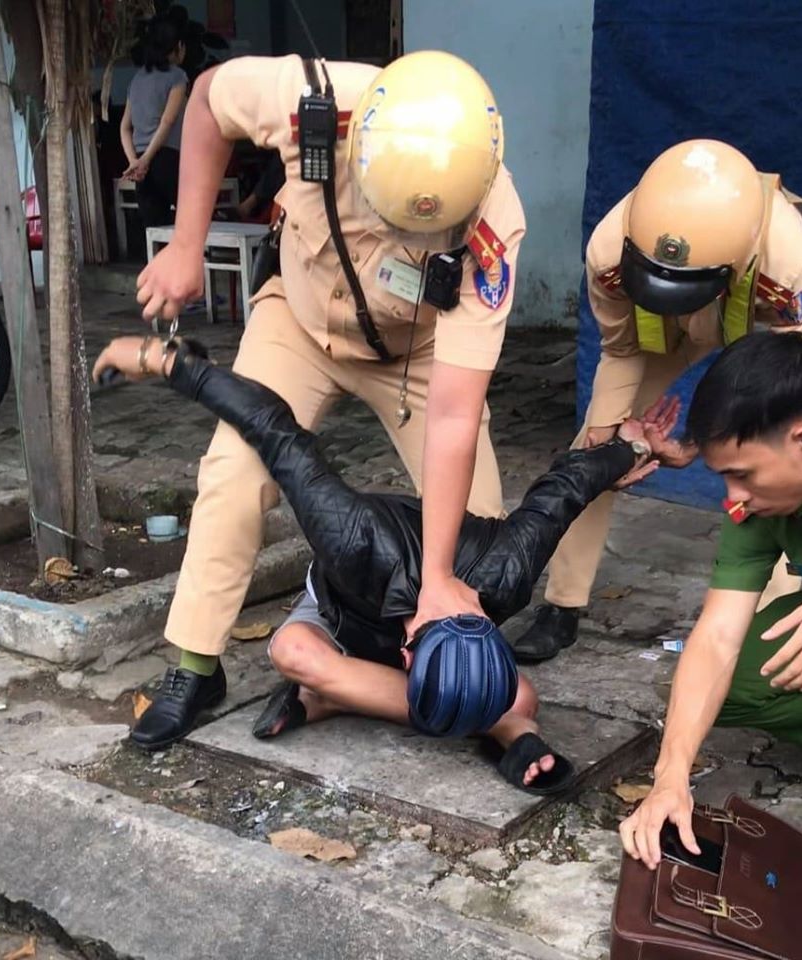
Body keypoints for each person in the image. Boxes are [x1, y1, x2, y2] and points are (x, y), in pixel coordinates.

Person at [129, 51, 530, 750]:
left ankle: (387, 666)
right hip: (301, 319)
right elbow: (204, 102)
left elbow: (456, 412)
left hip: (417, 350)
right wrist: (187, 244)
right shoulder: (311, 98)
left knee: (481, 536)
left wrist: (438, 577)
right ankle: (196, 664)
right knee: (233, 471)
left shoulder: (495, 224)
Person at [92, 332, 672, 789]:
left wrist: (637, 445)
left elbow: (566, 487)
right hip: (342, 609)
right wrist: (167, 361)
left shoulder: (506, 573)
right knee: (291, 650)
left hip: (415, 355)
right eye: (411, 668)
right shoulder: (353, 538)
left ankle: (336, 701)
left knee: (522, 694)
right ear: (406, 653)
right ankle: (497, 728)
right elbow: (274, 429)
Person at [515, 139, 802, 663]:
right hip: (657, 333)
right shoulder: (610, 252)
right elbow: (621, 348)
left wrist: (703, 441)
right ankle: (561, 603)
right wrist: (611, 440)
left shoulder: (786, 265)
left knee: (778, 466)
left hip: (759, 330)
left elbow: (796, 392)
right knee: (594, 451)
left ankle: (769, 622)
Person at [619, 331, 802, 869]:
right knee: (726, 688)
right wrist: (669, 778)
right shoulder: (756, 507)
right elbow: (717, 636)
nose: (732, 497)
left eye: (742, 474)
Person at [120, 17, 188, 229]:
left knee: (155, 231)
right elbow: (167, 122)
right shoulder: (177, 77)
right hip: (167, 159)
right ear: (177, 47)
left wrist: (134, 161)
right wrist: (147, 159)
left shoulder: (137, 79)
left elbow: (124, 127)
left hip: (140, 166)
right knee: (188, 223)